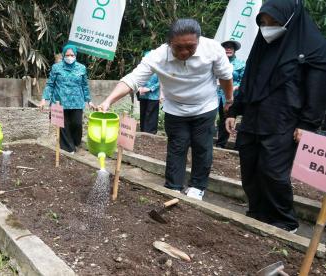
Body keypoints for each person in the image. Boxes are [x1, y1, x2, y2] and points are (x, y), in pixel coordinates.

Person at [99, 19, 234, 200]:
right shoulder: (157, 56)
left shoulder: (213, 49)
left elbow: (225, 76)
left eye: (190, 47)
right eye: (179, 47)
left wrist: (229, 99)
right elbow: (133, 80)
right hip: (175, 109)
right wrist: (108, 101)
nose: (185, 52)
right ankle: (173, 187)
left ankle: (197, 187)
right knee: (177, 147)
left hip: (205, 107)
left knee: (203, 147)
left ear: (198, 41)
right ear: (169, 43)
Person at [226, 0, 326, 233]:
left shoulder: (314, 47)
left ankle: (284, 221)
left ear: (290, 20)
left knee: (273, 171)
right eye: (263, 22)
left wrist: (307, 124)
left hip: (284, 120)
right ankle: (257, 213)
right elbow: (249, 78)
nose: (267, 27)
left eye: (274, 22)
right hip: (253, 117)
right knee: (249, 166)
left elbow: (318, 91)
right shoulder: (262, 44)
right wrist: (234, 110)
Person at [40, 45, 95, 153]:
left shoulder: (81, 68)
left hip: (77, 102)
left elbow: (85, 85)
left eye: (72, 55)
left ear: (76, 55)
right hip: (59, 101)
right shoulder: (57, 68)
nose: (70, 57)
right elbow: (50, 84)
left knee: (77, 124)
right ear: (64, 55)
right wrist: (44, 99)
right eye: (67, 55)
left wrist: (89, 100)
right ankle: (69, 148)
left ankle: (74, 143)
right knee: (63, 126)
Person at [215, 40, 245, 148]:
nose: (228, 49)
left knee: (226, 118)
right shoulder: (218, 62)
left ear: (234, 50)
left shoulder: (241, 64)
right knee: (213, 117)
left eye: (231, 47)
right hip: (216, 94)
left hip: (232, 95)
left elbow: (244, 81)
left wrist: (234, 87)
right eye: (226, 47)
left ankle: (221, 144)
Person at [137, 51, 162, 134]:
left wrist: (150, 89)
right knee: (143, 114)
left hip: (153, 96)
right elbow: (138, 79)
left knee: (151, 116)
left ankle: (150, 134)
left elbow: (160, 82)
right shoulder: (142, 69)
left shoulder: (159, 69)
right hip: (143, 95)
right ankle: (142, 133)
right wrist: (139, 87)